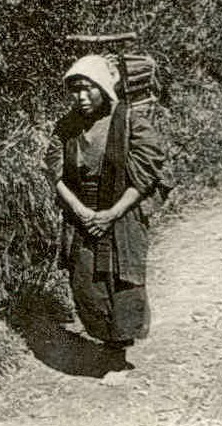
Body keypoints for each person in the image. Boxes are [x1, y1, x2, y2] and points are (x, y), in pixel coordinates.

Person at [44, 54, 166, 368]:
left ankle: (118, 353)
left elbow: (145, 175)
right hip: (82, 211)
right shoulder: (68, 125)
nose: (81, 97)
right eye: (75, 91)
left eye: (88, 89)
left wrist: (112, 213)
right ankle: (104, 340)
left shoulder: (129, 122)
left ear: (103, 87)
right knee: (86, 281)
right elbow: (54, 174)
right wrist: (81, 211)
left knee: (121, 280)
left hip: (123, 211)